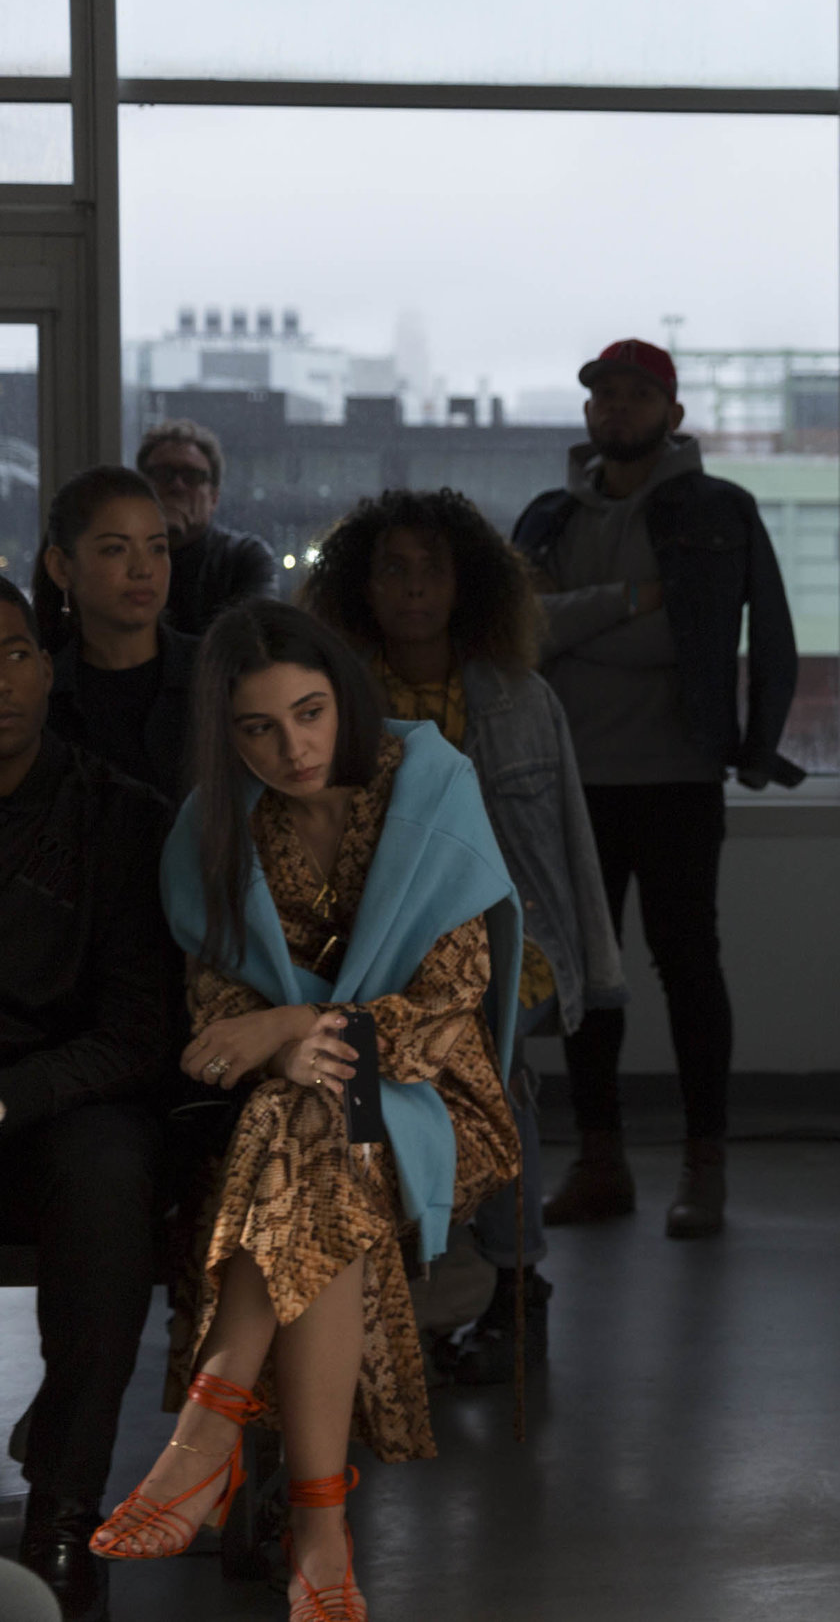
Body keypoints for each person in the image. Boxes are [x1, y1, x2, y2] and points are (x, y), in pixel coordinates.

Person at [92, 602, 522, 1622]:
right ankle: (320, 1534)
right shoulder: (217, 824)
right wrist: (278, 1039)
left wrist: (291, 1022)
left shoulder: (430, 783)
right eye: (258, 728)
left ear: (345, 698)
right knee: (319, 1130)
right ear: (226, 734)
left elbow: (443, 1011)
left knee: (314, 1111)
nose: (292, 746)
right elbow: (215, 1025)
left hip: (434, 1093)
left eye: (311, 711)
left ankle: (207, 1442)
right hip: (300, 1114)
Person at [301, 487, 626, 1384]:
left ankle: (518, 1295)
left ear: (465, 584)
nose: (413, 590)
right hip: (376, 950)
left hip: (499, 948)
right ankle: (389, 1299)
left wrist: (593, 968)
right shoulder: (333, 700)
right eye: (393, 570)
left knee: (494, 1099)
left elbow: (566, 837)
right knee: (367, 1108)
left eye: (432, 570)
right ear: (362, 587)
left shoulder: (520, 699)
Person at [510, 337, 801, 1240]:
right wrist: (631, 601)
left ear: (672, 414)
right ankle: (601, 1164)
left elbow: (720, 639)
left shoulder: (719, 511)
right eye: (603, 396)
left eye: (637, 396)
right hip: (572, 781)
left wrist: (755, 744)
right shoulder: (547, 519)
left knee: (686, 968)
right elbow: (524, 635)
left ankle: (701, 1167)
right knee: (588, 980)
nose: (617, 410)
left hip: (677, 775)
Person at [0, 575, 183, 1622]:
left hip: (65, 1106)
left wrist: (10, 1099)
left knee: (112, 1170)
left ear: (45, 664)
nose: (2, 680)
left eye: (19, 652)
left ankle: (63, 1517)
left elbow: (137, 1034)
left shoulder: (117, 814)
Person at [36, 464, 198, 799]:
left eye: (157, 547)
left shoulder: (214, 673)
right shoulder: (43, 697)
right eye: (116, 549)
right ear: (61, 567)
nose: (143, 569)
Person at [134, 417, 279, 636]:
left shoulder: (244, 557)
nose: (177, 486)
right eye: (163, 474)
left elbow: (253, 644)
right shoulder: (117, 555)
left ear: (214, 497)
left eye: (192, 476)